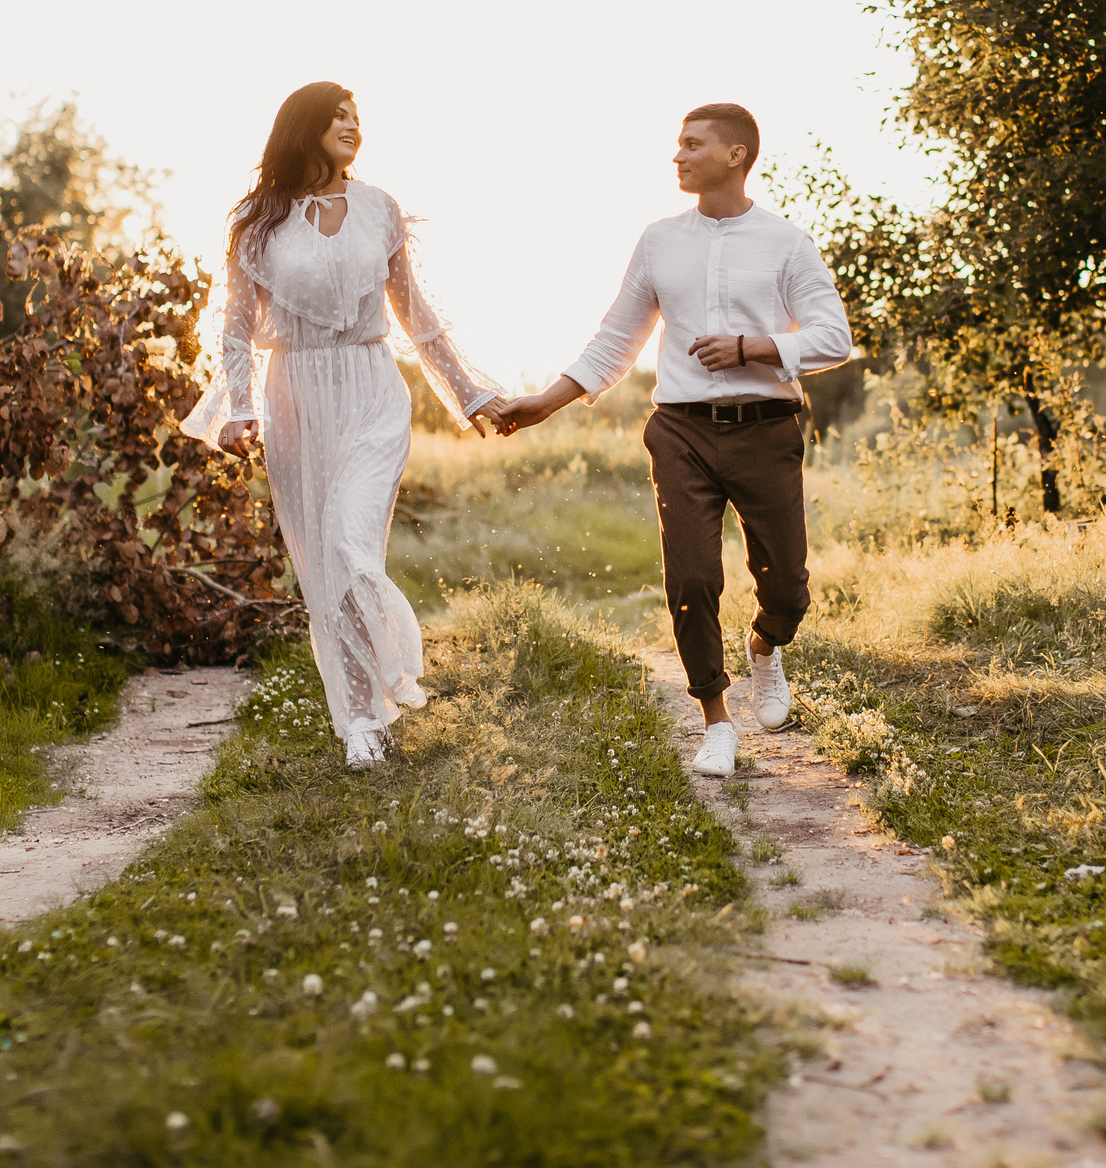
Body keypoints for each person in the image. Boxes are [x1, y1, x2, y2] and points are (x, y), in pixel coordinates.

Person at [492, 103, 852, 776]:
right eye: (678, 144)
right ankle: (715, 720)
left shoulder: (786, 242)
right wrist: (546, 401)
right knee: (691, 576)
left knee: (790, 587)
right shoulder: (659, 240)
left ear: (736, 154)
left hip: (767, 430)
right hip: (680, 428)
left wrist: (750, 347)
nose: (678, 155)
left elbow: (834, 337)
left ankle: (766, 647)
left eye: (693, 144)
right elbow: (615, 339)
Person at [182, 81, 504, 770]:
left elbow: (419, 316)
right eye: (338, 116)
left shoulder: (379, 209)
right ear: (304, 128)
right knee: (323, 565)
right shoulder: (255, 221)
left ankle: (392, 673)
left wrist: (469, 393)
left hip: (370, 388)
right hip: (296, 395)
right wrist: (241, 409)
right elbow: (235, 331)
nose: (353, 126)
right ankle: (361, 719)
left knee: (354, 543)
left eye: (358, 117)